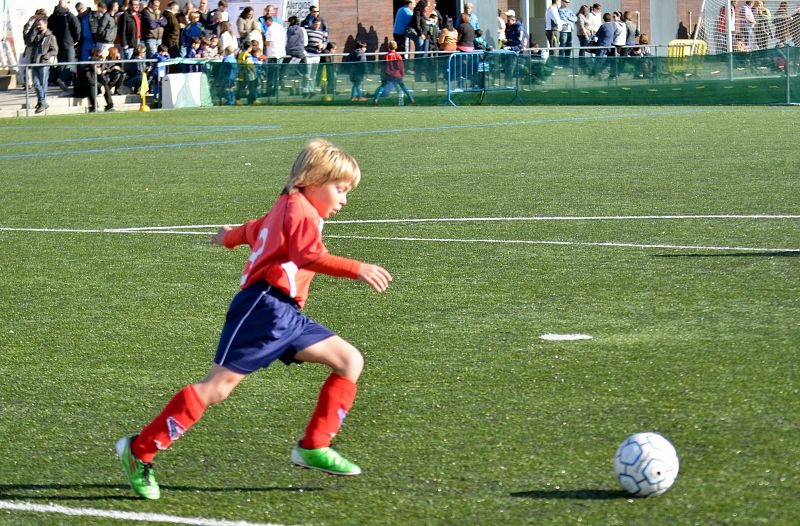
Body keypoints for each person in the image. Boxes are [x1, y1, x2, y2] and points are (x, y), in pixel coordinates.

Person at [116, 138, 392, 500]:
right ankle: (140, 450)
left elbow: (253, 229)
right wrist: (358, 268)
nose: (344, 199)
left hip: (286, 313)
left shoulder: (289, 206)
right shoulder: (299, 211)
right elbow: (308, 256)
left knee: (349, 361)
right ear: (312, 180)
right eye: (340, 189)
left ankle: (314, 446)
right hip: (263, 308)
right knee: (216, 388)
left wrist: (228, 237)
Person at [25, 17, 58, 114]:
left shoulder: (50, 37)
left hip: (43, 63)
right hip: (34, 62)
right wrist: (33, 32)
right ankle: (42, 102)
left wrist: (47, 55)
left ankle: (41, 102)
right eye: (37, 25)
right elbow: (28, 42)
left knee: (42, 84)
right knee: (36, 83)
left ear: (45, 24)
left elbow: (55, 50)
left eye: (40, 24)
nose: (38, 26)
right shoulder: (36, 35)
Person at [48, 0, 81, 91]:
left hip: (57, 43)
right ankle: (62, 79)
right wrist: (76, 40)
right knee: (70, 62)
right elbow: (77, 28)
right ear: (65, 5)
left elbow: (49, 30)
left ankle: (63, 83)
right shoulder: (69, 15)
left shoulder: (52, 17)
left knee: (61, 62)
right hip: (68, 43)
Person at [373, 40, 415, 104]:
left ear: (388, 47)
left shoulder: (386, 56)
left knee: (382, 86)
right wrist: (402, 74)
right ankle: (411, 98)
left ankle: (376, 98)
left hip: (388, 74)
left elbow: (383, 67)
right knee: (403, 86)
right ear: (396, 47)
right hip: (397, 75)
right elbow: (401, 66)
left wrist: (382, 75)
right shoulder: (398, 56)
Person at [263, 15, 286, 97]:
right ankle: (276, 91)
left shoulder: (270, 29)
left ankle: (269, 91)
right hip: (281, 53)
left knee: (271, 74)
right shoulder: (280, 27)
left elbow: (269, 43)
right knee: (277, 74)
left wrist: (263, 41)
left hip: (273, 54)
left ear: (267, 21)